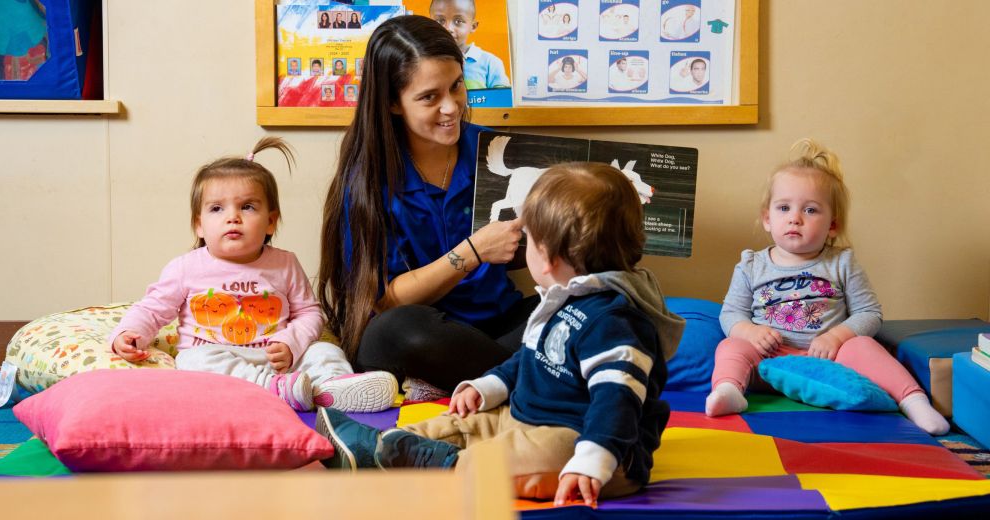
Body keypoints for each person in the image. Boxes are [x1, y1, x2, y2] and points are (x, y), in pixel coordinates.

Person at [315, 162, 685, 506]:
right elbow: (529, 357)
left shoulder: (615, 322)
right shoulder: (562, 300)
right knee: (464, 424)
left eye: (530, 240)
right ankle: (377, 446)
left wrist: (592, 460)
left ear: (549, 257)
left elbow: (617, 400)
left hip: (594, 446)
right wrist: (487, 386)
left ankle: (440, 465)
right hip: (525, 417)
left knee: (515, 457)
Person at [316, 15, 537, 402]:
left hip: (500, 327)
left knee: (615, 302)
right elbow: (384, 300)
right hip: (422, 334)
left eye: (456, 87)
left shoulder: (492, 149)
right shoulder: (366, 181)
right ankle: (535, 377)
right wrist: (472, 253)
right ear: (392, 103)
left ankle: (494, 381)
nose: (451, 107)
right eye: (429, 97)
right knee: (396, 330)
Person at [107, 137, 397, 413]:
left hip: (280, 362)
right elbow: (152, 308)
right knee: (192, 359)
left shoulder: (284, 263)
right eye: (217, 209)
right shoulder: (186, 268)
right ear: (199, 225)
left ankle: (332, 390)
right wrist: (130, 332)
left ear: (271, 222)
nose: (233, 217)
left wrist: (290, 342)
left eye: (247, 207)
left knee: (323, 350)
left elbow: (310, 314)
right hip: (223, 362)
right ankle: (270, 389)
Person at [706, 139, 949, 436]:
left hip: (828, 358)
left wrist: (836, 337)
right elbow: (731, 314)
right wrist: (750, 332)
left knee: (863, 345)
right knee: (730, 346)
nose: (795, 218)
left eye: (810, 210)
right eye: (784, 208)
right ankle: (729, 390)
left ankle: (914, 401)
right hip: (768, 360)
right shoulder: (750, 265)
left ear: (832, 225)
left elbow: (870, 313)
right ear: (768, 219)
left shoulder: (841, 262)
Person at [429, 0, 510, 89]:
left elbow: (502, 99)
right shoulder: (424, 61)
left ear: (473, 26)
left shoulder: (490, 63)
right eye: (440, 21)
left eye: (458, 21)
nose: (448, 28)